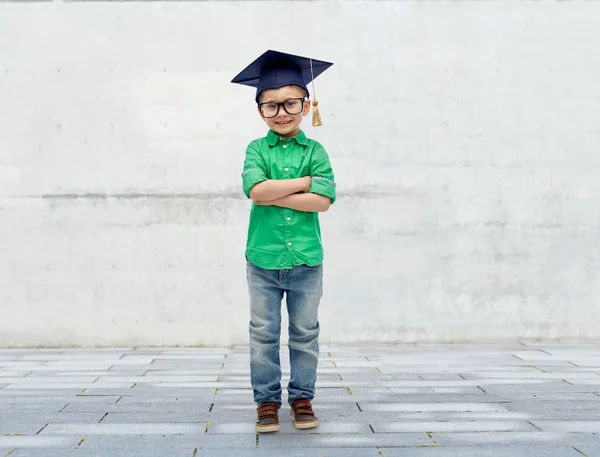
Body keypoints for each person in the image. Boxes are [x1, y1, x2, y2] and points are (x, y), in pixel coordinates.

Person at [231, 50, 336, 433]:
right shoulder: (256, 149)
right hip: (262, 260)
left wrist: (276, 191)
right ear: (260, 110)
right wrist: (304, 183)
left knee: (305, 332)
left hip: (307, 260)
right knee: (263, 332)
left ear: (306, 106)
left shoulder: (316, 151)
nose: (281, 112)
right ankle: (267, 403)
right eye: (270, 105)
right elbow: (255, 191)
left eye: (291, 103)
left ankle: (302, 398)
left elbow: (322, 203)